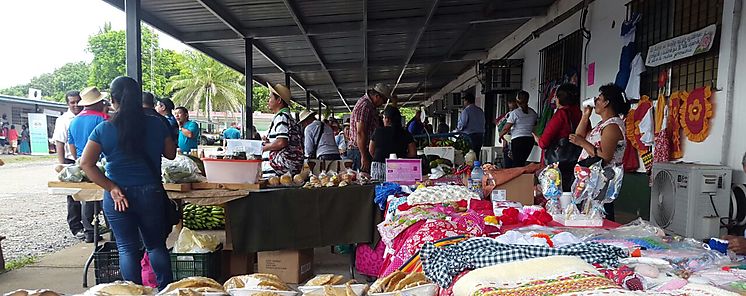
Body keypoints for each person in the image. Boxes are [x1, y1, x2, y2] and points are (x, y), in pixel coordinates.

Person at [79, 76, 176, 290]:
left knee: (127, 248)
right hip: (150, 192)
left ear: (113, 100)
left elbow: (86, 164)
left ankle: (133, 293)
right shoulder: (156, 123)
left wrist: (112, 188)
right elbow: (170, 154)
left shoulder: (104, 129)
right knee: (156, 246)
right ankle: (166, 291)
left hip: (118, 195)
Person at [569, 83, 631, 222]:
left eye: (599, 98)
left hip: (601, 182)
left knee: (600, 217)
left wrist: (583, 143)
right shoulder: (603, 124)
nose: (595, 101)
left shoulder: (612, 126)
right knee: (586, 216)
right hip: (590, 179)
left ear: (606, 103)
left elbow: (606, 156)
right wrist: (585, 116)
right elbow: (577, 136)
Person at [68, 86, 109, 243]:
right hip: (102, 164)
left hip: (82, 165)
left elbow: (71, 147)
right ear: (99, 102)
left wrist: (80, 161)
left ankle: (89, 232)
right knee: (106, 196)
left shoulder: (74, 122)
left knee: (88, 198)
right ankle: (112, 231)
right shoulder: (104, 119)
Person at [533, 83, 583, 190]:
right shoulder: (580, 113)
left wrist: (537, 139)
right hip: (577, 160)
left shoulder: (561, 114)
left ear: (559, 98)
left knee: (557, 193)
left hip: (559, 164)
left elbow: (543, 143)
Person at [52, 91, 84, 240]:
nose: (76, 105)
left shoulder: (86, 116)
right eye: (72, 102)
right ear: (67, 104)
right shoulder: (63, 120)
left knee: (90, 195)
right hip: (70, 161)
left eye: (78, 101)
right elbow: (60, 142)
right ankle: (76, 226)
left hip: (87, 159)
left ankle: (90, 225)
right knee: (73, 195)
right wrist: (62, 165)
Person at [262, 83, 304, 175]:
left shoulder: (281, 117)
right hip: (287, 170)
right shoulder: (288, 118)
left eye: (270, 98)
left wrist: (262, 148)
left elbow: (281, 142)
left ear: (279, 100)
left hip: (278, 170)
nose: (268, 100)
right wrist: (270, 143)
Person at [350, 83, 390, 172]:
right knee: (363, 179)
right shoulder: (365, 106)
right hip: (360, 150)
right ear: (377, 96)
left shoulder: (369, 106)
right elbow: (360, 133)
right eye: (383, 101)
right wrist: (364, 156)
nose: (383, 104)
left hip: (363, 150)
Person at [369, 106, 416, 180]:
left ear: (387, 119)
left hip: (378, 166)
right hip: (399, 166)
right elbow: (413, 153)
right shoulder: (406, 133)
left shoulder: (377, 131)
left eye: (383, 117)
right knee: (398, 189)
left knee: (380, 189)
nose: (383, 120)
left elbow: (371, 150)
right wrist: (402, 156)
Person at [499, 91, 537, 168]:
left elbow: (506, 128)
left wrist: (500, 136)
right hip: (530, 140)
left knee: (517, 163)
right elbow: (535, 125)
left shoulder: (515, 113)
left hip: (518, 140)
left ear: (517, 100)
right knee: (522, 162)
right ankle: (522, 178)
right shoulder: (533, 112)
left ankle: (518, 179)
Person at [457, 92, 486, 158]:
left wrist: (458, 130)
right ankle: (476, 167)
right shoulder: (480, 110)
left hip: (469, 136)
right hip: (480, 136)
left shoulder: (466, 111)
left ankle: (469, 168)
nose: (464, 102)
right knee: (476, 154)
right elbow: (484, 122)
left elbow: (462, 124)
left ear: (467, 101)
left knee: (468, 155)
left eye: (464, 101)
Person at [496, 97, 519, 168]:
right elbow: (504, 130)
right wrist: (503, 143)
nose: (511, 110)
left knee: (514, 164)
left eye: (513, 108)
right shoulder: (508, 115)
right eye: (510, 108)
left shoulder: (517, 114)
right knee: (508, 164)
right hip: (508, 143)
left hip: (515, 141)